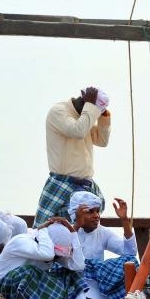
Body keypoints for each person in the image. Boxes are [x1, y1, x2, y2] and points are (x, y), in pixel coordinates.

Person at [34, 86, 111, 226]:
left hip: (86, 184)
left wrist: (103, 117)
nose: (94, 115)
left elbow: (102, 141)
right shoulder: (59, 111)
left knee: (84, 228)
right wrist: (90, 107)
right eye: (95, 111)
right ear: (85, 101)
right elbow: (78, 131)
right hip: (63, 182)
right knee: (43, 230)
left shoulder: (85, 117)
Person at [0, 218, 87, 299]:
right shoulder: (21, 241)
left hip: (18, 291)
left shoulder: (51, 253)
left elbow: (78, 265)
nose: (56, 259)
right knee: (28, 271)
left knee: (68, 273)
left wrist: (73, 233)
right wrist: (43, 229)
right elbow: (47, 254)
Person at [69, 191, 138, 299]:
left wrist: (124, 220)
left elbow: (130, 253)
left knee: (130, 262)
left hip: (99, 290)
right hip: (73, 288)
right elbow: (62, 254)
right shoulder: (67, 231)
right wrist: (76, 225)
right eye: (90, 212)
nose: (96, 215)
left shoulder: (103, 232)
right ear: (76, 214)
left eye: (97, 211)